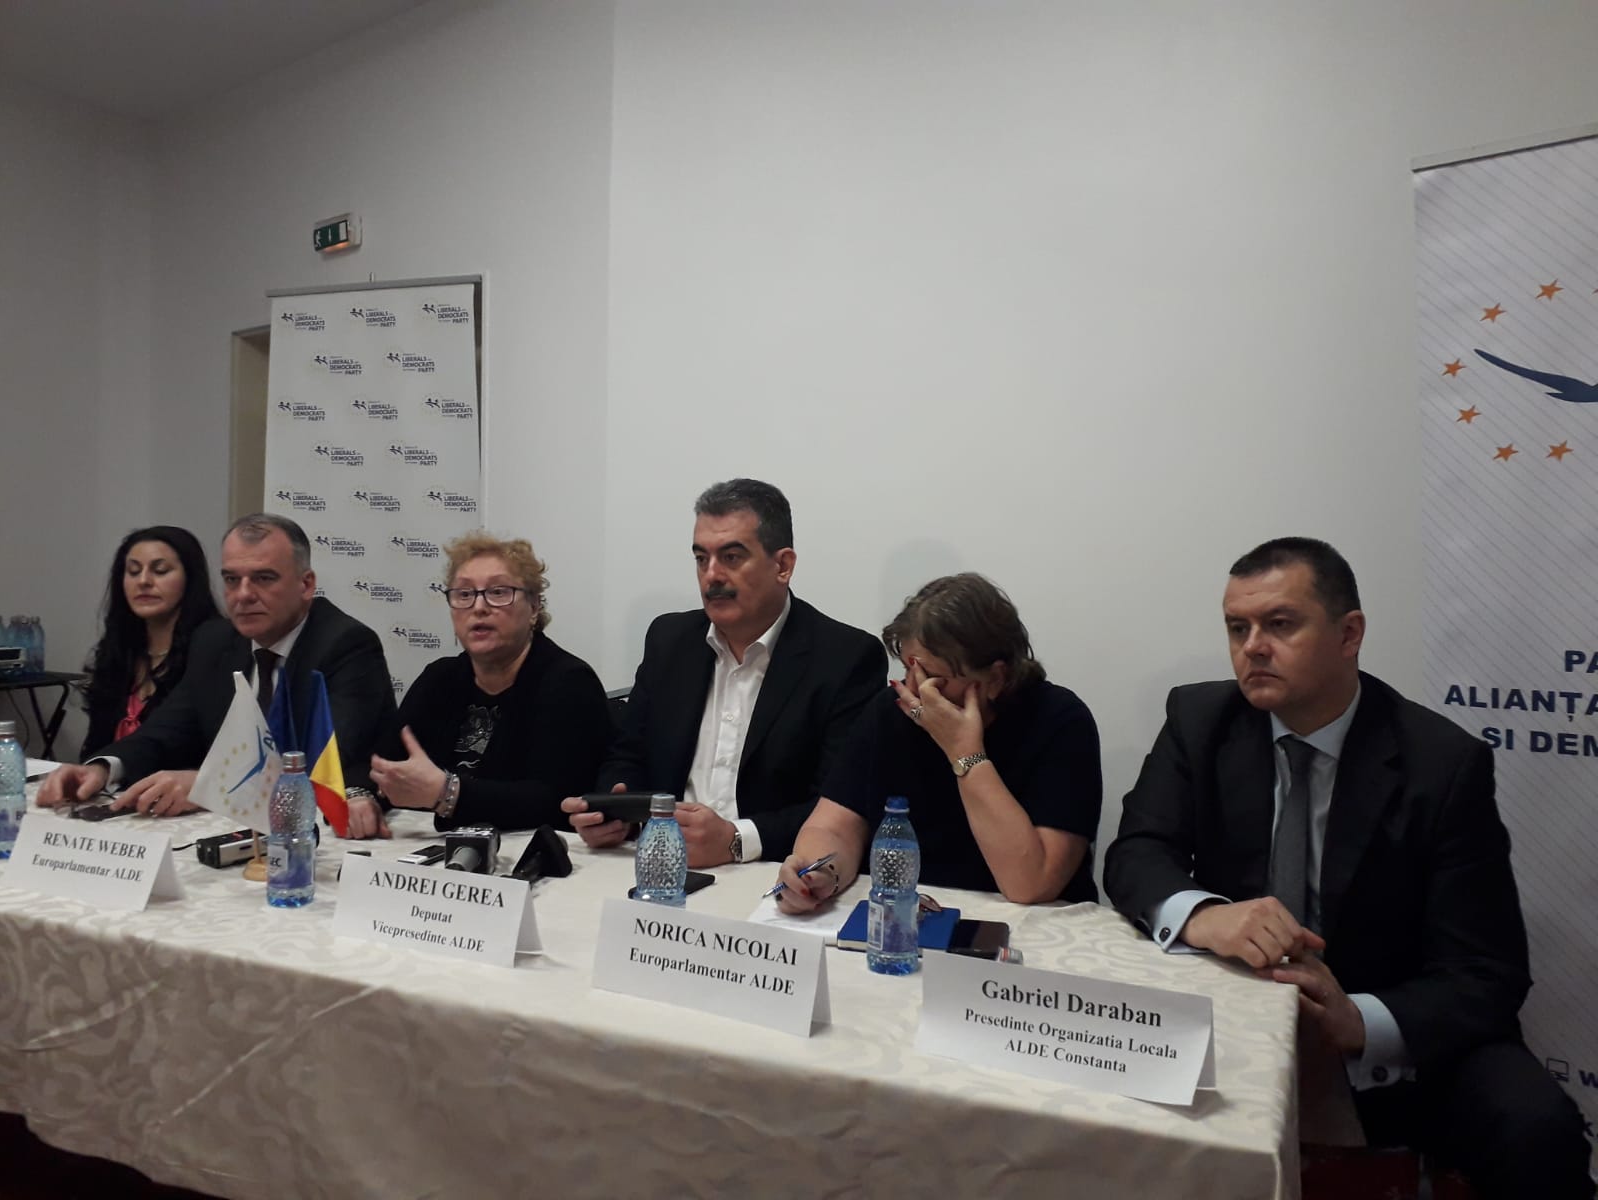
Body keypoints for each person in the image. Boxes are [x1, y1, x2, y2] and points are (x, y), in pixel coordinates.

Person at [1102, 537, 1592, 1200]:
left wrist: (1359, 1021)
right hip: (1237, 1008)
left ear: (1349, 634)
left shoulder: (1440, 764)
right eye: (1237, 628)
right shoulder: (1200, 719)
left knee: (1537, 1127)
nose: (1253, 647)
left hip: (1387, 1018)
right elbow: (1137, 852)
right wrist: (1207, 916)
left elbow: (1487, 970)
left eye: (1280, 624)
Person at [562, 478, 885, 867]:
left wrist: (736, 840)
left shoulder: (845, 658)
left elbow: (842, 806)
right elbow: (628, 753)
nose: (711, 575)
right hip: (661, 863)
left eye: (731, 557)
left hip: (770, 871)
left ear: (783, 566)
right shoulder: (670, 640)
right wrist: (616, 808)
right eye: (701, 559)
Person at [39, 513, 397, 838]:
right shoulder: (215, 641)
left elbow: (326, 763)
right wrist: (102, 769)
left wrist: (208, 787)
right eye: (231, 579)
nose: (243, 595)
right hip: (236, 831)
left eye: (263, 578)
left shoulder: (346, 644)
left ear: (305, 585)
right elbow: (165, 732)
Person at [772, 573, 1101, 911]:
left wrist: (964, 752)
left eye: (932, 677)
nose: (915, 690)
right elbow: (835, 826)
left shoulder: (1061, 720)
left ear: (995, 678)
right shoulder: (890, 712)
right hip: (907, 911)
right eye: (908, 669)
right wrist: (819, 872)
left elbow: (1029, 883)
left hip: (1023, 920)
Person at [369, 532, 610, 832]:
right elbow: (381, 763)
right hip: (433, 851)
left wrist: (448, 794)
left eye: (498, 592)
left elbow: (556, 800)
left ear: (534, 607)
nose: (479, 607)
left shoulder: (569, 682)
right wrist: (361, 797)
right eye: (464, 594)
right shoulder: (440, 678)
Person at [80, 525, 223, 757]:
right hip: (111, 779)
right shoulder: (118, 650)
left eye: (160, 570)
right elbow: (94, 747)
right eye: (133, 572)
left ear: (190, 578)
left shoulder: (213, 648)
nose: (144, 581)